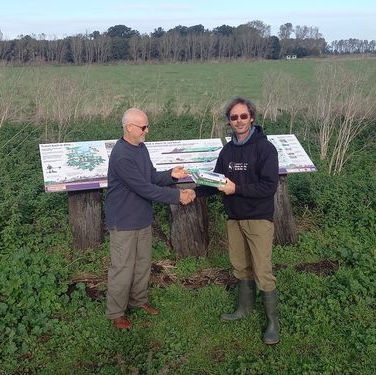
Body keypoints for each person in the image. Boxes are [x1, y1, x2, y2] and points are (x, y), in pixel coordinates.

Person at [191, 97, 280, 345]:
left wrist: (236, 189)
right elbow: (217, 182)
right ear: (229, 121)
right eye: (233, 117)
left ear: (252, 117)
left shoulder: (266, 149)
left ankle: (273, 322)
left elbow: (268, 187)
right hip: (235, 219)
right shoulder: (228, 150)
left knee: (262, 270)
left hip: (258, 219)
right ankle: (245, 309)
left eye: (243, 116)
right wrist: (193, 193)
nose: (239, 121)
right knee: (240, 266)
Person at [105, 107, 193, 330]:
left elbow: (150, 177)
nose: (147, 131)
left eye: (147, 126)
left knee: (143, 264)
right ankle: (116, 312)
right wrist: (177, 195)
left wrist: (170, 174)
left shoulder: (140, 148)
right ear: (129, 127)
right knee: (123, 268)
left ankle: (138, 300)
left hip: (142, 218)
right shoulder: (121, 156)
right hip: (123, 221)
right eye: (143, 127)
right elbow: (144, 189)